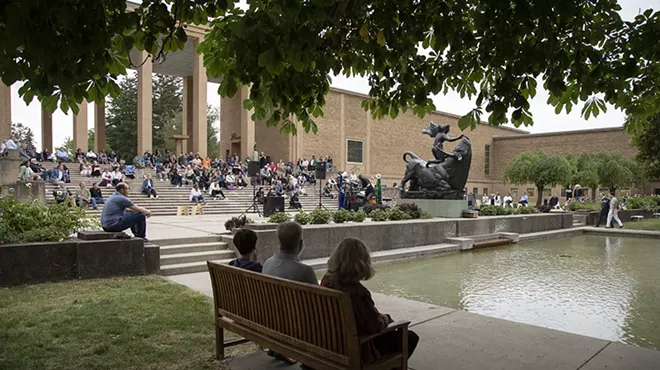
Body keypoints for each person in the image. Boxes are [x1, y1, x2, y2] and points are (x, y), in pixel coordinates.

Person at [320, 238, 419, 366]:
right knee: (409, 337)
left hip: (328, 343)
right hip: (354, 350)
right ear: (362, 263)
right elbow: (375, 326)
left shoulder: (326, 281)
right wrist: (386, 318)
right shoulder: (358, 293)